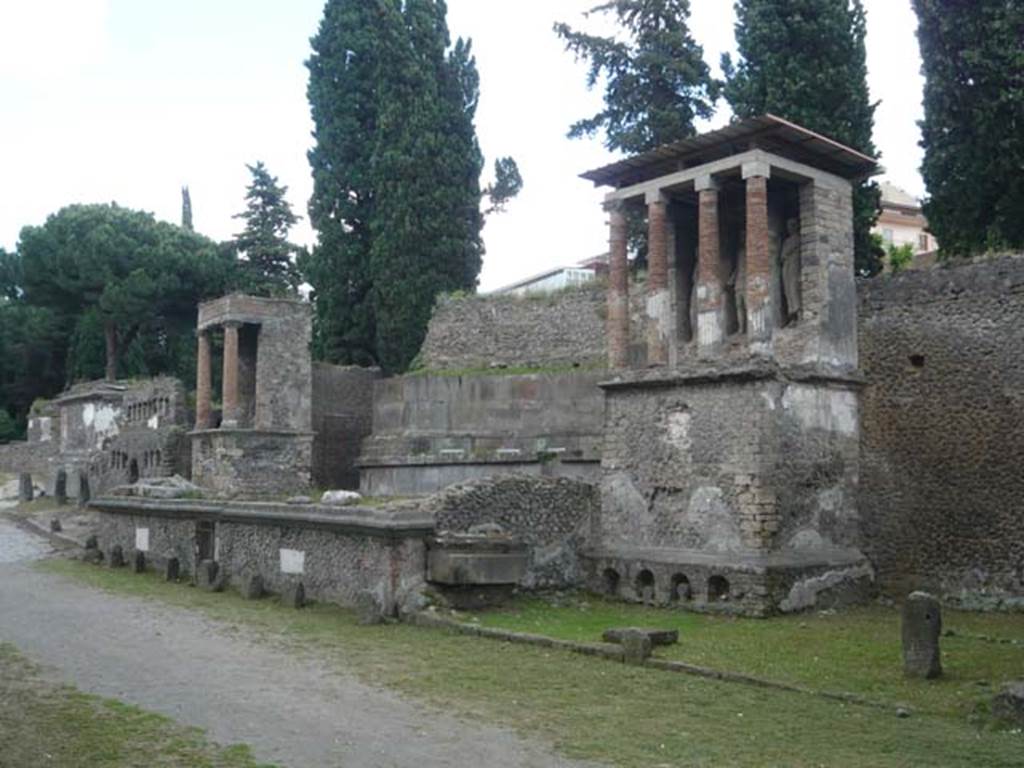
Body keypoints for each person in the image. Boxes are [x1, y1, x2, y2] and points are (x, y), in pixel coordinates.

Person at [780, 217, 801, 322]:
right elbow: (782, 255)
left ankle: (798, 314)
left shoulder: (798, 238)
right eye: (788, 226)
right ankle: (792, 315)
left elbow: (786, 252)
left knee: (794, 289)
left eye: (792, 225)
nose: (790, 228)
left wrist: (784, 254)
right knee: (787, 290)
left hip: (794, 265)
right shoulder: (787, 241)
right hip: (786, 266)